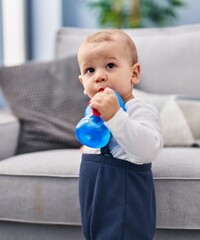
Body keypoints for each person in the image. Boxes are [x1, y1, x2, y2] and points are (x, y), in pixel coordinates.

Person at [77, 28, 163, 240]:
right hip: (94, 202)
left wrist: (115, 116)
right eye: (90, 70)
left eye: (110, 65)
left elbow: (149, 150)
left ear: (134, 73)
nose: (99, 76)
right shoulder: (92, 115)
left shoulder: (139, 109)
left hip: (125, 205)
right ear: (82, 83)